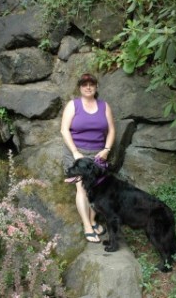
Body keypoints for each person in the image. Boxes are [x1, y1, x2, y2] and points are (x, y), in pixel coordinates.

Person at [60, 73, 116, 243]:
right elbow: (64, 130)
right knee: (82, 188)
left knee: (98, 187)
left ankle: (92, 220)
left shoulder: (104, 106)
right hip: (77, 152)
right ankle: (86, 226)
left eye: (91, 84)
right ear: (80, 87)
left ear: (96, 86)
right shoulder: (73, 105)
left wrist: (106, 149)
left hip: (98, 153)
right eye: (84, 84)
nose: (88, 87)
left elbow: (111, 130)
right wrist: (75, 152)